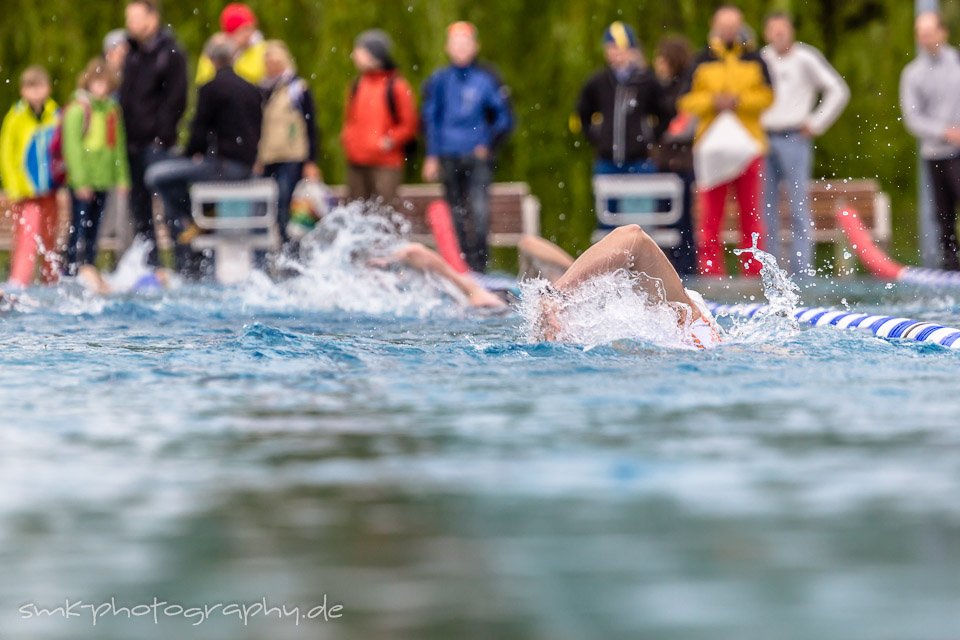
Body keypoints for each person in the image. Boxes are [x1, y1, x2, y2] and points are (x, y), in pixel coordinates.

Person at [146, 34, 263, 276]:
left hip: (224, 166)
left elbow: (199, 131)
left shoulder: (210, 88)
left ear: (210, 59)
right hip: (246, 166)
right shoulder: (251, 89)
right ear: (233, 57)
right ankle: (200, 222)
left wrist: (192, 154)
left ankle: (191, 220)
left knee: (156, 175)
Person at [679, 5, 773, 277]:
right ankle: (711, 275)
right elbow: (685, 100)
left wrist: (739, 101)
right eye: (725, 26)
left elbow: (768, 97)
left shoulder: (755, 59)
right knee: (709, 220)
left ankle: (754, 275)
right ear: (715, 26)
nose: (729, 31)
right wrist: (712, 102)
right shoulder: (701, 60)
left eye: (734, 26)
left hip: (749, 148)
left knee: (751, 218)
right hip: (712, 149)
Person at [517, 227, 720, 348]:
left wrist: (555, 295)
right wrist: (555, 295)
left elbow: (528, 242)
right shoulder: (685, 320)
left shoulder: (676, 323)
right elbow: (633, 236)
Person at [421, 21, 514, 273]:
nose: (461, 49)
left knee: (480, 213)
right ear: (447, 48)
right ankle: (460, 267)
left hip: (476, 157)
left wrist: (489, 143)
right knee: (455, 215)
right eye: (456, 44)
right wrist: (431, 156)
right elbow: (431, 119)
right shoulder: (439, 81)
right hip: (448, 156)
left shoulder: (486, 79)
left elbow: (504, 118)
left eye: (465, 44)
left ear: (475, 47)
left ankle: (480, 267)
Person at [761, 12, 849, 276]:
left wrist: (816, 122)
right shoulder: (763, 58)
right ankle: (771, 270)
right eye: (774, 30)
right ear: (767, 33)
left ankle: (802, 270)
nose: (779, 35)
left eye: (783, 29)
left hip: (794, 137)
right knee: (767, 208)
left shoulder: (806, 57)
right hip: (764, 137)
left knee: (798, 204)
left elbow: (838, 89)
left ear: (792, 31)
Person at [119, 0, 188, 267]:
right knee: (140, 209)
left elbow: (176, 98)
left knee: (172, 206)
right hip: (133, 144)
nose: (130, 24)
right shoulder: (133, 53)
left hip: (157, 145)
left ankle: (185, 264)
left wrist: (161, 135)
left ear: (152, 17)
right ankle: (150, 264)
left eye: (134, 18)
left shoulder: (170, 52)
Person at [900, 11, 960, 271]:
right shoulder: (912, 73)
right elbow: (912, 118)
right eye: (921, 34)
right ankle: (951, 266)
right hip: (935, 152)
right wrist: (945, 132)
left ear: (942, 32)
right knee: (943, 217)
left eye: (929, 32)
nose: (925, 39)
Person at [61, 58, 130, 276]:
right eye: (96, 84)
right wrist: (80, 181)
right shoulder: (78, 109)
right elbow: (71, 147)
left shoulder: (111, 111)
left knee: (94, 231)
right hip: (83, 180)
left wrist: (122, 178)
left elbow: (118, 146)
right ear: (88, 83)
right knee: (78, 228)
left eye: (104, 84)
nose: (100, 89)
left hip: (103, 178)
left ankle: (89, 269)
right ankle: (70, 270)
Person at [575, 22, 665, 184]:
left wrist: (650, 136)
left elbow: (664, 113)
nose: (615, 53)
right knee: (608, 208)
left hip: (639, 161)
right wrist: (597, 136)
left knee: (639, 207)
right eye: (611, 47)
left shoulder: (646, 81)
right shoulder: (598, 82)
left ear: (631, 49)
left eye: (620, 47)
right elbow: (582, 112)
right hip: (607, 161)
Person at [341, 29, 418, 205]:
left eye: (359, 51)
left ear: (373, 55)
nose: (354, 56)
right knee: (357, 212)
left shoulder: (396, 86)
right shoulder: (357, 85)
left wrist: (389, 140)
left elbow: (409, 124)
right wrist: (350, 142)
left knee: (384, 213)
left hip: (386, 162)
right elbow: (350, 120)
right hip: (356, 161)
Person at [257, 40, 321, 248]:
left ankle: (290, 250)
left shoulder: (297, 88)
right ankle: (276, 248)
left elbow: (310, 126)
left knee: (286, 204)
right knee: (269, 206)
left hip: (292, 155)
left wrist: (311, 160)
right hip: (269, 155)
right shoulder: (262, 89)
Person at [0, 66, 60, 287]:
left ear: (48, 88)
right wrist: (14, 188)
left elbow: (63, 150)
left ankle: (50, 281)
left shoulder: (55, 114)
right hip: (26, 192)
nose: (35, 92)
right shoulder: (16, 117)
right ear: (22, 91)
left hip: (50, 189)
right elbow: (6, 154)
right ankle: (19, 281)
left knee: (49, 237)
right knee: (27, 236)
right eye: (30, 87)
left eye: (39, 86)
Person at [653, 35, 698, 276]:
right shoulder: (661, 87)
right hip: (665, 163)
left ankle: (687, 271)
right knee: (665, 221)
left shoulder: (686, 87)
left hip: (681, 163)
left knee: (683, 223)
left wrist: (666, 135)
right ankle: (669, 269)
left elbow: (681, 126)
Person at [196, 2, 266, 86]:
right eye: (244, 29)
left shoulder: (261, 49)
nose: (249, 34)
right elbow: (204, 79)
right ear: (231, 33)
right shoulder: (216, 49)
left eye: (251, 28)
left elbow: (255, 76)